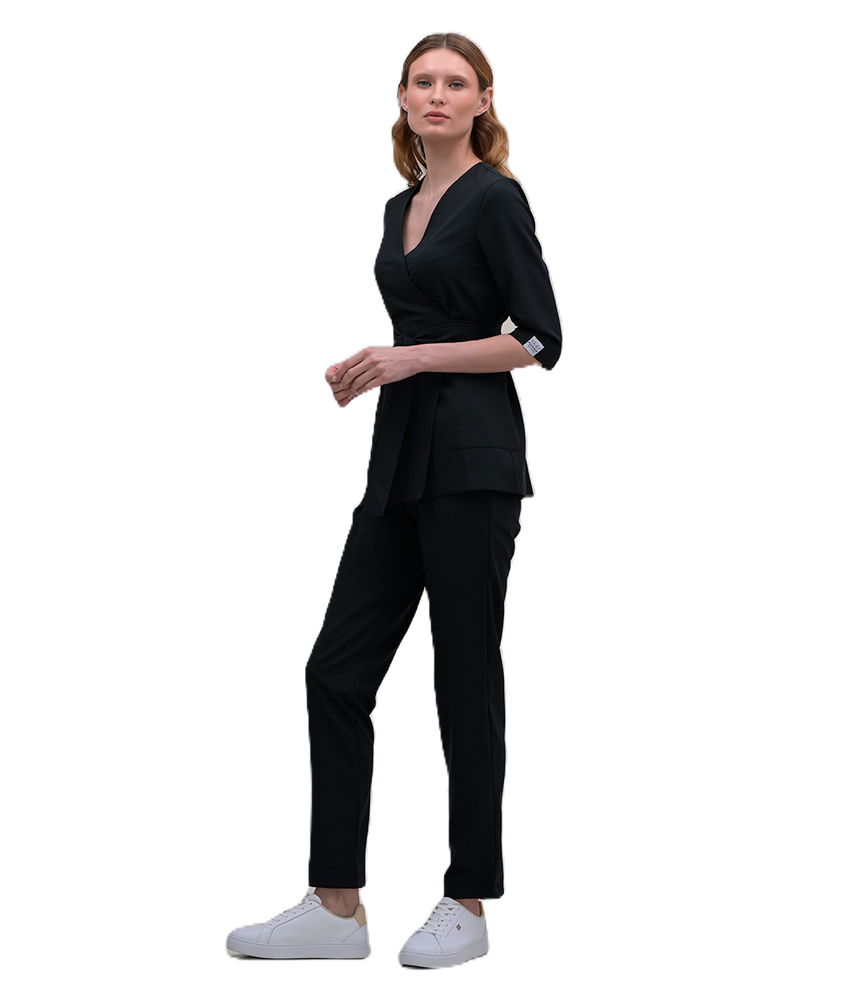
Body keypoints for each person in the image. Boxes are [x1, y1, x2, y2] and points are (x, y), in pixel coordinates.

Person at [225, 30, 563, 968]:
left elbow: (542, 340)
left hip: (473, 459)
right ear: (404, 100)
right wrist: (371, 367)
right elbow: (413, 330)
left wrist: (409, 358)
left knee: (465, 676)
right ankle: (337, 906)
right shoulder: (396, 207)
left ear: (484, 101)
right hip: (400, 457)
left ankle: (468, 901)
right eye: (423, 81)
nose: (438, 94)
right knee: (334, 670)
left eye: (457, 82)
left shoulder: (497, 197)